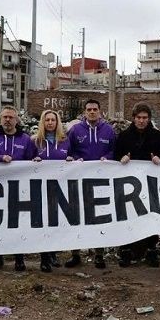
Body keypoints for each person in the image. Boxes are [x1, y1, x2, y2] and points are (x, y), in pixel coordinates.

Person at [0, 106, 37, 272]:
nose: (7, 120)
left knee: (17, 223)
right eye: (5, 117)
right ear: (0, 119)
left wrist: (37, 160)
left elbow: (32, 159)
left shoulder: (26, 139)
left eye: (11, 117)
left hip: (18, 188)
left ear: (16, 120)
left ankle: (19, 258)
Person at [64, 99, 116, 269]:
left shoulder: (109, 131)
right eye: (89, 109)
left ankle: (99, 255)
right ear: (84, 112)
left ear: (100, 111)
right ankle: (75, 253)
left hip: (101, 181)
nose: (92, 112)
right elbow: (68, 150)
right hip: (79, 180)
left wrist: (107, 158)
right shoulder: (75, 130)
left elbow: (114, 151)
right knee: (77, 216)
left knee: (99, 217)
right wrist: (72, 159)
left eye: (95, 109)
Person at [114, 102, 160, 268]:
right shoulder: (123, 136)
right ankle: (125, 251)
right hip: (128, 186)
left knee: (151, 216)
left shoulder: (158, 136)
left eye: (145, 118)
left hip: (150, 184)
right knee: (127, 216)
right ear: (133, 118)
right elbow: (114, 157)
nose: (142, 121)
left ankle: (151, 250)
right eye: (139, 117)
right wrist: (121, 160)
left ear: (149, 119)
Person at [32, 109, 74, 272]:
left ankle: (53, 254)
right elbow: (25, 162)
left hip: (60, 189)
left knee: (57, 223)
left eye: (53, 120)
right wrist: (32, 161)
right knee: (44, 224)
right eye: (47, 120)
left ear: (57, 123)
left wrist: (71, 160)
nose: (50, 122)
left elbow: (73, 157)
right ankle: (44, 258)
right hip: (40, 189)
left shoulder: (65, 141)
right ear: (43, 123)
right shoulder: (35, 141)